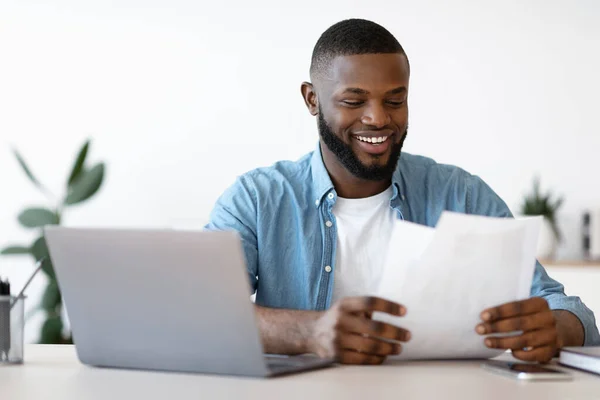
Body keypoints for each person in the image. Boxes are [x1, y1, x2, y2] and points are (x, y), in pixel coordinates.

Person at [205, 18, 600, 364]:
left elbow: (568, 311)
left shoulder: (463, 196)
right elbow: (203, 314)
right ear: (312, 99)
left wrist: (555, 328)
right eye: (354, 101)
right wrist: (309, 332)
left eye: (395, 100)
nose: (378, 118)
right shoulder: (255, 199)